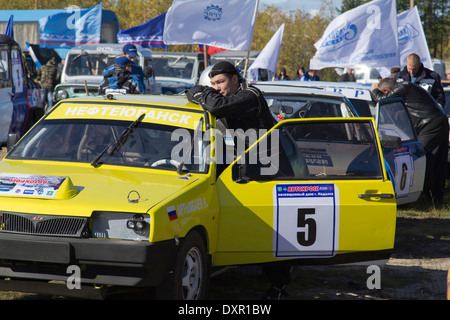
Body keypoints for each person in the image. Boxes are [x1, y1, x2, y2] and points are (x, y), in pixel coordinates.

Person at [185, 61, 290, 299]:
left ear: (235, 78)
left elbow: (217, 106)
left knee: (273, 231)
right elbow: (200, 97)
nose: (217, 87)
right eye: (212, 84)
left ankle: (279, 287)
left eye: (220, 82)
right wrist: (198, 92)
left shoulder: (250, 96)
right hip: (250, 167)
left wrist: (201, 92)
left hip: (273, 172)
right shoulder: (231, 95)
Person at [372, 78, 448, 208]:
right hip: (436, 122)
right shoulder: (407, 89)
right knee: (436, 160)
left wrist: (374, 90)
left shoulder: (404, 87)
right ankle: (435, 198)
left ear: (388, 90)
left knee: (423, 158)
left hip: (430, 124)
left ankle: (430, 199)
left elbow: (381, 100)